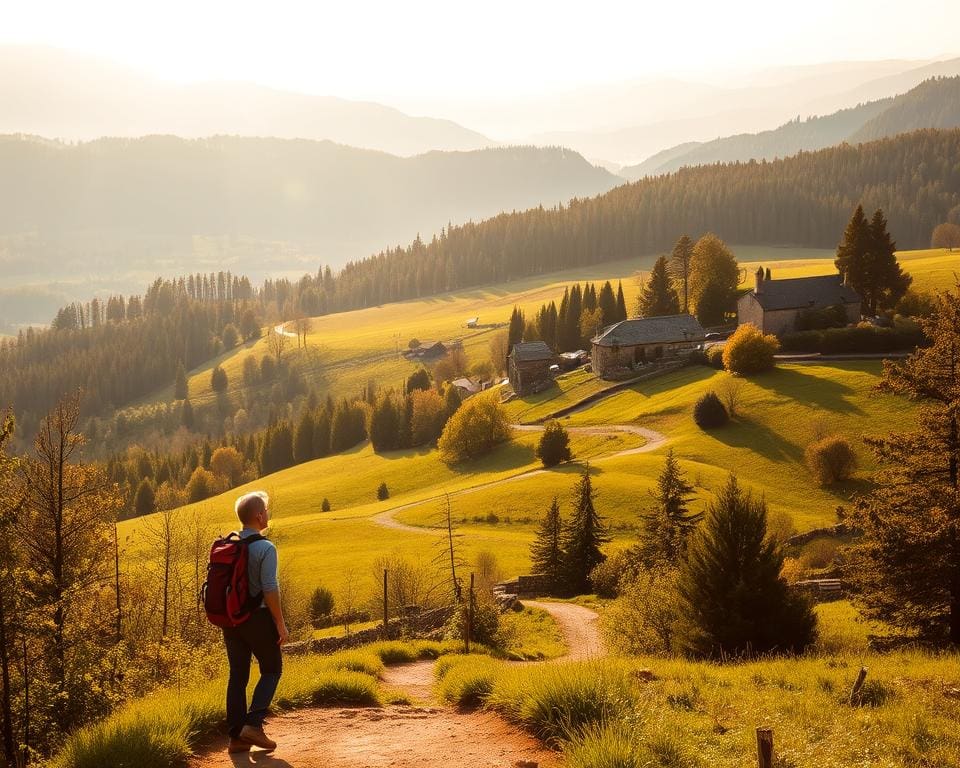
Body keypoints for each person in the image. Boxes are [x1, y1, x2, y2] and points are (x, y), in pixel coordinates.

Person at [223, 491, 288, 754]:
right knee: (272, 669)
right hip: (258, 619)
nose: (268, 514)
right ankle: (254, 725)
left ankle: (236, 738)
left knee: (238, 676)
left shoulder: (229, 545)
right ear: (259, 516)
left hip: (230, 621)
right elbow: (270, 588)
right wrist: (280, 624)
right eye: (267, 510)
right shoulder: (265, 548)